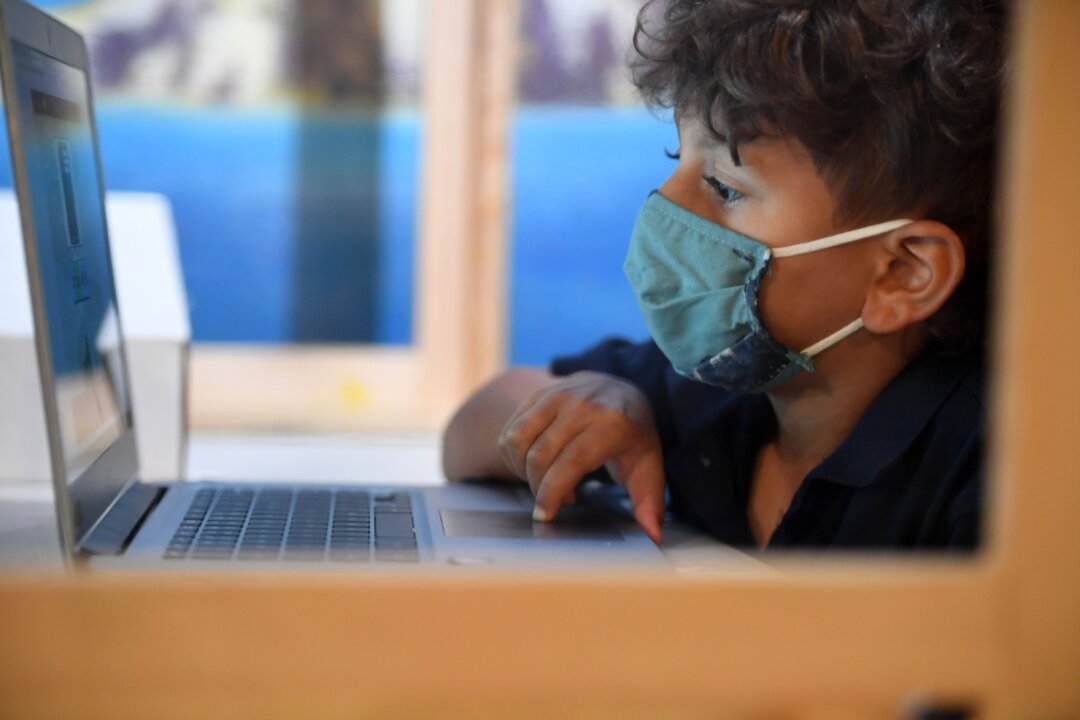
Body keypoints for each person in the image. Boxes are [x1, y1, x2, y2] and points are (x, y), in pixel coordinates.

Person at [442, 0, 1006, 550]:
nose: (665, 204)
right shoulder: (709, 389)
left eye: (724, 186)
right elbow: (470, 426)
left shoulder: (999, 481)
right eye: (676, 160)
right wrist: (595, 403)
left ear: (903, 274)